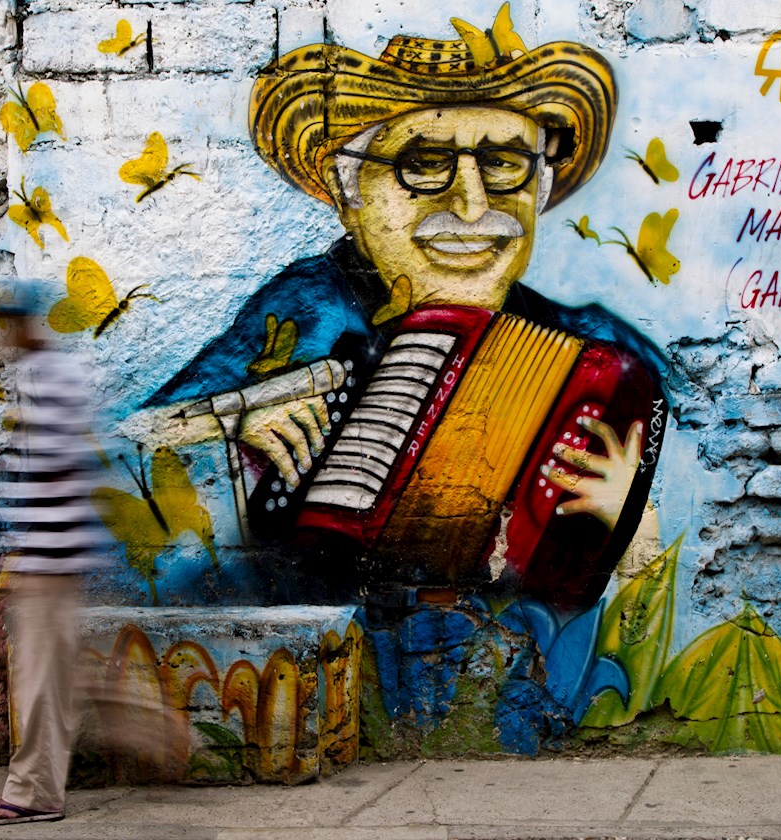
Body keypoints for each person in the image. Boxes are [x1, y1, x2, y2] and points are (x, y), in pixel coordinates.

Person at [138, 10, 668, 612]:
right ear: (349, 194)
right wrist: (228, 435)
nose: (471, 205)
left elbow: (621, 606)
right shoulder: (309, 310)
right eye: (423, 163)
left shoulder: (593, 352)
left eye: (502, 164)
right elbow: (137, 455)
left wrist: (626, 524)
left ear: (539, 187)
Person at [0, 280, 105, 826]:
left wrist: (26, 552)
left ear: (23, 324)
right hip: (52, 554)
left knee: (38, 680)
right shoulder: (51, 373)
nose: (0, 335)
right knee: (52, 677)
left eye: (5, 324)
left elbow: (52, 468)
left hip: (48, 556)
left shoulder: (44, 377)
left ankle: (32, 795)